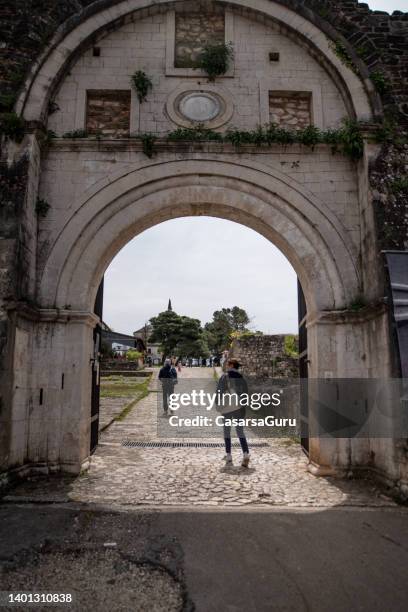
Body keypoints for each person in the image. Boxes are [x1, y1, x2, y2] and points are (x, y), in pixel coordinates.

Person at [216, 359, 250, 468]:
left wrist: (217, 403)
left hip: (227, 408)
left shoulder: (224, 377)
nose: (226, 366)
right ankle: (245, 454)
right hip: (239, 407)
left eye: (227, 364)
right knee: (240, 431)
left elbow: (219, 391)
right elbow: (246, 394)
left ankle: (229, 455)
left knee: (227, 431)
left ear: (231, 365)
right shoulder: (242, 378)